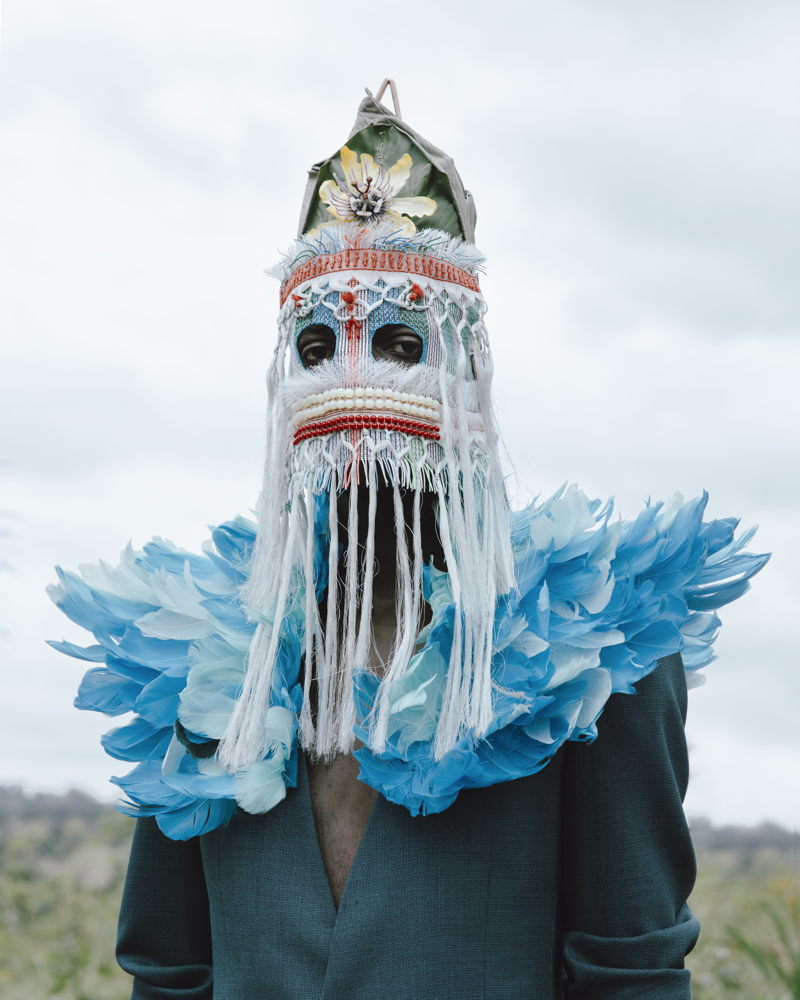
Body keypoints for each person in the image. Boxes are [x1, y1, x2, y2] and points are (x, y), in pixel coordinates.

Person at [48, 81, 769, 999]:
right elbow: (170, 971)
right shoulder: (203, 657)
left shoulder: (590, 656)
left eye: (398, 343)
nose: (351, 378)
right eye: (315, 349)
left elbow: (631, 971)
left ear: (465, 374)